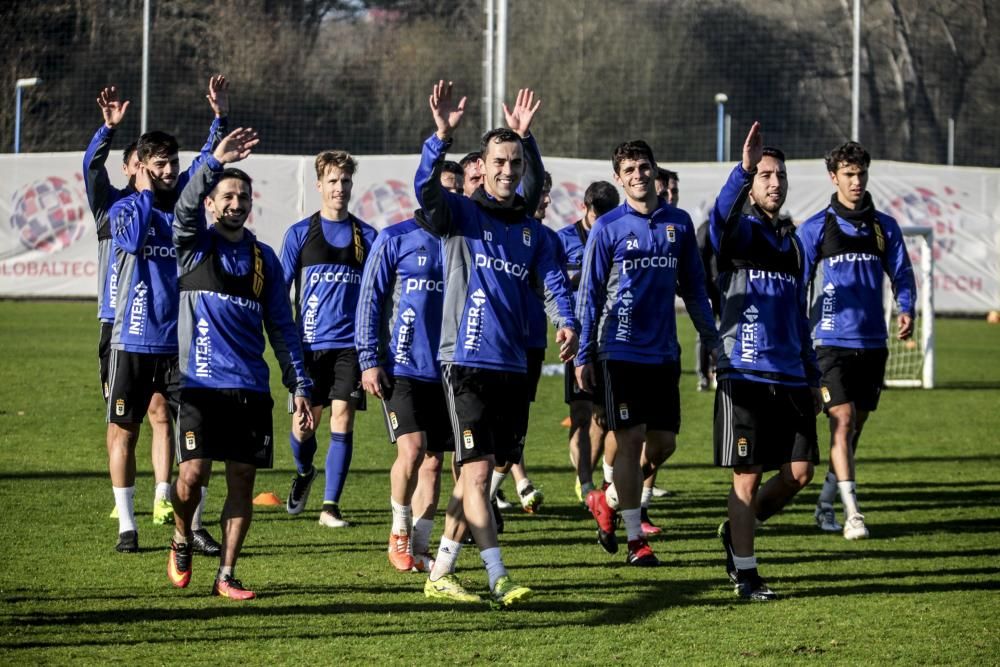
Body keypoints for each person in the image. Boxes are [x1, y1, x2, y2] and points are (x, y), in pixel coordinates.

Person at [414, 81, 578, 607]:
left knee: (478, 477)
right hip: (464, 361)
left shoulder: (531, 233)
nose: (508, 171)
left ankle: (440, 570)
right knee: (478, 473)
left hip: (513, 364)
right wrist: (439, 136)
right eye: (499, 162)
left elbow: (553, 283)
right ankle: (498, 575)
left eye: (515, 162)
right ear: (481, 167)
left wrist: (567, 321)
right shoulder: (462, 215)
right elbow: (426, 192)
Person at [168, 127, 314, 600]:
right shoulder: (193, 246)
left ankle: (227, 574)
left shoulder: (263, 259)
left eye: (243, 196)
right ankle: (180, 534)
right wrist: (213, 160)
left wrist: (300, 386)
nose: (236, 202)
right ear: (212, 203)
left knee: (243, 481)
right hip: (197, 385)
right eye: (227, 195)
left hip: (250, 389)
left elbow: (283, 328)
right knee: (190, 477)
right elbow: (183, 207)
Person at [87, 82, 226, 555]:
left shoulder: (185, 206)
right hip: (131, 341)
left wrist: (218, 121)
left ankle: (192, 523)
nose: (170, 172)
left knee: (197, 440)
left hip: (181, 344)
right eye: (160, 165)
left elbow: (207, 164)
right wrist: (140, 186)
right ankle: (127, 524)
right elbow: (127, 241)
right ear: (143, 168)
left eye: (173, 164)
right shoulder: (126, 207)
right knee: (123, 431)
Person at [576, 140, 718, 566]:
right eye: (629, 170)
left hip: (664, 352)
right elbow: (590, 293)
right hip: (619, 351)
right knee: (631, 437)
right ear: (619, 180)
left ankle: (611, 498)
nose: (638, 175)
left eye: (643, 167)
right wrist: (584, 353)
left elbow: (694, 289)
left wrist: (711, 339)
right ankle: (637, 540)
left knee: (663, 444)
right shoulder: (608, 228)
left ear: (655, 171)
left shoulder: (679, 224)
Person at [711, 122, 821, 601]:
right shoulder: (736, 233)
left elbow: (799, 314)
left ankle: (739, 530)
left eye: (779, 175)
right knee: (747, 475)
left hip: (792, 375)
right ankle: (747, 573)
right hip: (745, 371)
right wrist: (740, 168)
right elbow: (716, 219)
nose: (774, 182)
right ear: (752, 185)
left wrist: (814, 375)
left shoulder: (794, 243)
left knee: (800, 473)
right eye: (765, 175)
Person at [798, 141, 917, 540]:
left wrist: (907, 307)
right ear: (833, 177)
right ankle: (853, 515)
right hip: (829, 341)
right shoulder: (816, 227)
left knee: (852, 430)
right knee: (842, 421)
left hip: (872, 343)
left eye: (861, 173)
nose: (856, 181)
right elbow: (795, 279)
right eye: (848, 174)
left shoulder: (884, 227)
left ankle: (824, 505)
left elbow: (901, 271)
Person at [280, 151, 377, 528]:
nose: (340, 188)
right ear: (319, 185)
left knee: (343, 416)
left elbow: (375, 295)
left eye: (345, 182)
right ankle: (304, 472)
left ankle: (330, 507)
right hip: (307, 347)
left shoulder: (367, 237)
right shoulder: (300, 234)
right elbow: (279, 294)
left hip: (349, 349)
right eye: (333, 181)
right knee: (304, 427)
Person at [355, 208, 453, 573]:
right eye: (447, 187)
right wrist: (368, 358)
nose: (453, 195)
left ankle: (421, 545)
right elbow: (370, 299)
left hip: (446, 369)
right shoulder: (395, 238)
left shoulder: (462, 241)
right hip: (402, 366)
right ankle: (399, 532)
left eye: (458, 189)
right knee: (411, 450)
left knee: (434, 460)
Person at [490, 171, 557, 515]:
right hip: (496, 344)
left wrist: (565, 321)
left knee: (514, 432)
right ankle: (486, 497)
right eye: (541, 193)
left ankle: (487, 495)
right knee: (491, 431)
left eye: (548, 193)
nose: (546, 200)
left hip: (532, 344)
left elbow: (556, 288)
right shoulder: (500, 236)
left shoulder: (547, 239)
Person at [557, 181, 618, 504]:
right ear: (584, 207)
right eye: (596, 214)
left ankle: (596, 477)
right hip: (578, 339)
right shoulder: (564, 240)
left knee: (605, 417)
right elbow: (553, 284)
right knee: (581, 414)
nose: (601, 221)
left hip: (609, 337)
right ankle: (585, 480)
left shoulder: (615, 233)